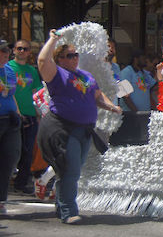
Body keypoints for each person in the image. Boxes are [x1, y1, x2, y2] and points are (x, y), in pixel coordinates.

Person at [36, 30, 122, 224]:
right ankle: (68, 211)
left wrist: (110, 106)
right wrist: (53, 40)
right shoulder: (57, 74)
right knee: (72, 170)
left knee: (69, 170)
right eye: (70, 55)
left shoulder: (85, 75)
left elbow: (97, 95)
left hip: (84, 129)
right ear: (59, 59)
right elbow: (42, 61)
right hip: (64, 128)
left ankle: (61, 206)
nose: (75, 58)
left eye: (76, 54)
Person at [9, 39, 43, 194]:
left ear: (30, 52)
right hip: (11, 114)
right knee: (12, 150)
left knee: (27, 151)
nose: (22, 51)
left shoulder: (32, 71)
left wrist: (39, 113)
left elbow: (37, 93)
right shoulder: (8, 68)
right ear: (14, 50)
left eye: (25, 49)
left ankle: (21, 183)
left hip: (30, 114)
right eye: (19, 48)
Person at [0, 38, 21, 214]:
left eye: (6, 51)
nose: (5, 54)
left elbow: (11, 95)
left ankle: (1, 201)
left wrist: (18, 112)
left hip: (10, 119)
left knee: (9, 159)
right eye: (1, 51)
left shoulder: (9, 71)